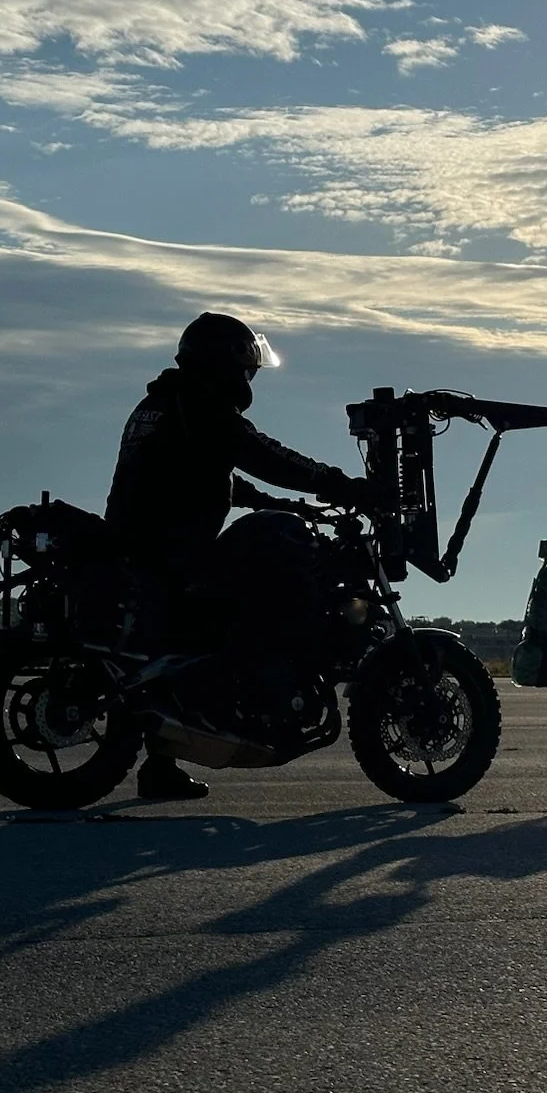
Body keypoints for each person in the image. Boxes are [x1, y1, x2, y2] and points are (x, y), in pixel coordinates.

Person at [104, 312, 373, 799]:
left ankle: (163, 764)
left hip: (147, 545)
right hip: (172, 549)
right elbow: (258, 451)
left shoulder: (164, 404)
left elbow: (203, 470)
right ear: (221, 361)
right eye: (244, 365)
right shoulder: (200, 405)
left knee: (195, 632)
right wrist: (335, 483)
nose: (248, 376)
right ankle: (258, 687)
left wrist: (275, 501)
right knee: (279, 583)